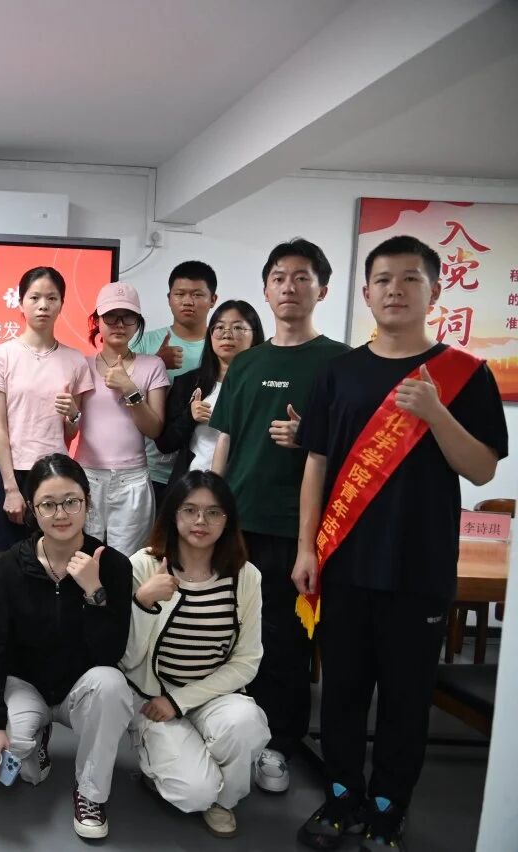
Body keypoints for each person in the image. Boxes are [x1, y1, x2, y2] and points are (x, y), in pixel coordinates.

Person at [293, 236, 507, 851]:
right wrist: (307, 549)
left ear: (433, 292)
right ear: (366, 293)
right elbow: (316, 464)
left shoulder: (465, 374)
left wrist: (436, 413)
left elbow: (481, 470)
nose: (395, 290)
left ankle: (388, 810)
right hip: (345, 561)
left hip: (421, 565)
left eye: (410, 279)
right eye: (383, 279)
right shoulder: (339, 372)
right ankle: (341, 798)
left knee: (407, 698)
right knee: (342, 692)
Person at [208, 238, 349, 793]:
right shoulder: (246, 363)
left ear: (323, 289)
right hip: (238, 524)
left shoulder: (340, 362)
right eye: (279, 278)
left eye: (302, 277)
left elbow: (355, 448)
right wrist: (210, 510)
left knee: (286, 642)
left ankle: (278, 744)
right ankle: (228, 732)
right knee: (228, 631)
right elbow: (225, 441)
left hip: (300, 530)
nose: (289, 287)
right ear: (266, 289)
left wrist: (310, 436)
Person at [0, 453, 134, 840]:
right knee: (4, 767)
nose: (61, 514)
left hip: (82, 689)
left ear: (87, 502)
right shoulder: (11, 565)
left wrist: (94, 591)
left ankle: (91, 793)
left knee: (112, 684)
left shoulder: (112, 565)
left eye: (71, 502)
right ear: (32, 509)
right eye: (48, 504)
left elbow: (109, 655)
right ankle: (36, 739)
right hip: (26, 685)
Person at [121, 470, 268, 839]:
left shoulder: (245, 576)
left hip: (211, 695)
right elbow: (126, 659)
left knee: (246, 723)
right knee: (193, 792)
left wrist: (180, 701)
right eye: (190, 510)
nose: (201, 521)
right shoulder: (143, 565)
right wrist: (143, 602)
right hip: (153, 698)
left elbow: (247, 661)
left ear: (227, 520)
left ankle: (225, 800)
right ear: (173, 515)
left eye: (213, 512)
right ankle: (168, 767)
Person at [0, 267, 94, 552]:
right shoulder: (1, 355)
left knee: (54, 559)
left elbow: (70, 434)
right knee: (0, 560)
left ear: (61, 304)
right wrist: (10, 488)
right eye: (35, 297)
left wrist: (73, 414)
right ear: (21, 303)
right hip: (11, 473)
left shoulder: (75, 360)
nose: (43, 305)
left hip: (55, 476)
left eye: (52, 298)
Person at [74, 282, 169, 555]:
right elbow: (71, 427)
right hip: (87, 475)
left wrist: (129, 388)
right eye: (110, 316)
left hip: (132, 478)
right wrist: (68, 415)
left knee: (126, 562)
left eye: (128, 317)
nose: (119, 324)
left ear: (137, 322)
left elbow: (154, 429)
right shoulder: (81, 364)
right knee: (82, 554)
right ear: (97, 321)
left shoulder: (152, 365)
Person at [132, 261, 218, 505]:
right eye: (180, 294)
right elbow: (121, 393)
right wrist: (156, 364)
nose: (188, 301)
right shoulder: (143, 343)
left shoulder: (221, 346)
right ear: (169, 299)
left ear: (213, 300)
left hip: (202, 468)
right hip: (150, 467)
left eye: (197, 295)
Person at [155, 301, 265, 489]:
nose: (227, 334)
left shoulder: (266, 384)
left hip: (247, 487)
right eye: (219, 327)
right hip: (195, 486)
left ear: (254, 336)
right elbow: (165, 444)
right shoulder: (189, 383)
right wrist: (190, 416)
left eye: (238, 327)